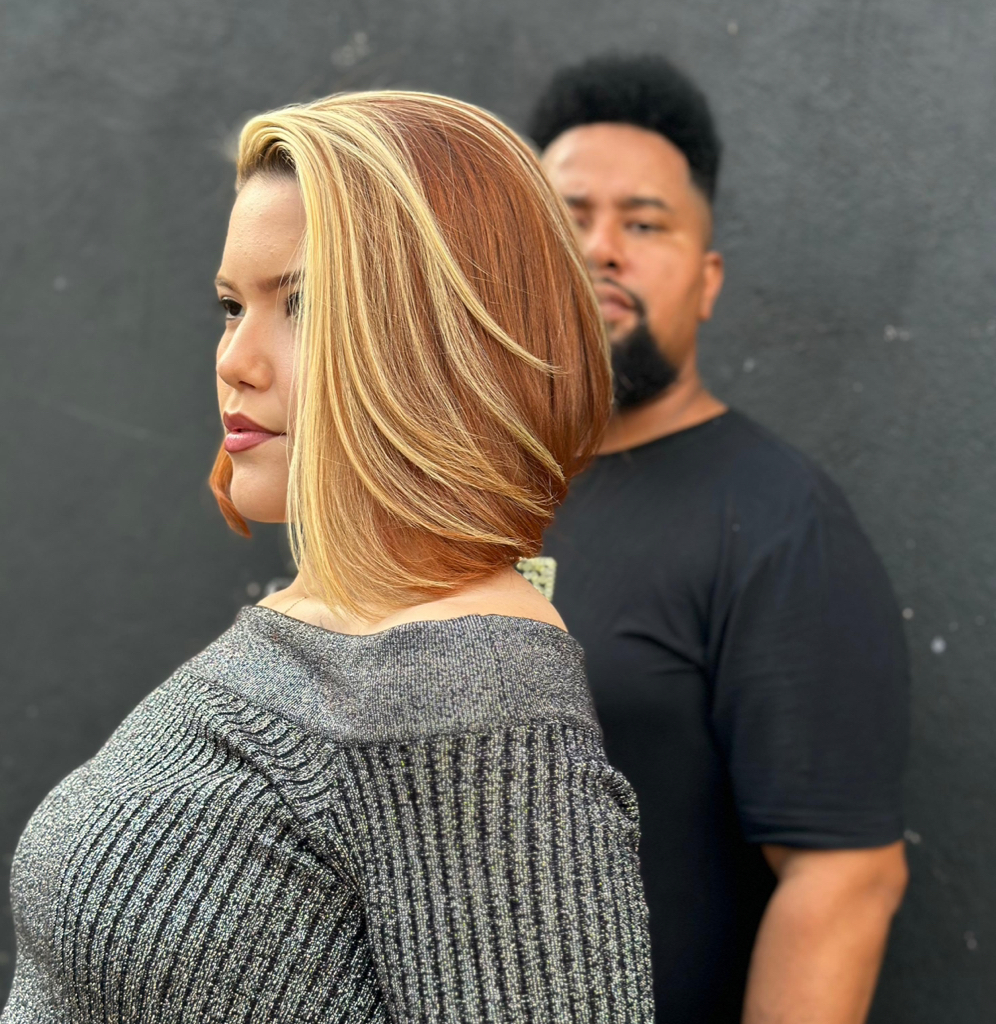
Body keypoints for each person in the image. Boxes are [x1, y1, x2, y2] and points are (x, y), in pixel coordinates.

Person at [2, 91, 654, 1023]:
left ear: (450, 337)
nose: (235, 359)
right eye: (231, 306)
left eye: (301, 304)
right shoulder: (334, 623)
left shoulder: (469, 692)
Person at [530, 55, 910, 1024]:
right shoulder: (463, 495)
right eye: (570, 216)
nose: (601, 247)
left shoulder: (779, 520)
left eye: (643, 223)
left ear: (707, 281)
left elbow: (844, 880)